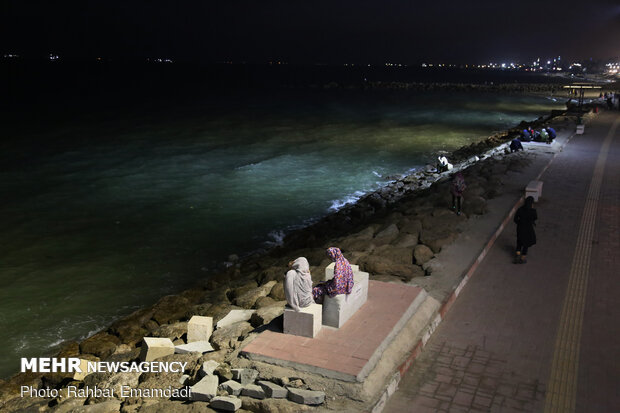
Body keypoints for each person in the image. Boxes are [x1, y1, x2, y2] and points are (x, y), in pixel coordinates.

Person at [513, 196, 537, 264]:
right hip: (528, 229)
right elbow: (535, 218)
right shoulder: (533, 211)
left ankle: (517, 255)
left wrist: (520, 223)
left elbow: (515, 219)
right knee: (526, 243)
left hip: (520, 229)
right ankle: (522, 258)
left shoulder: (520, 209)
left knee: (519, 242)